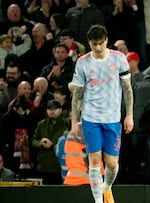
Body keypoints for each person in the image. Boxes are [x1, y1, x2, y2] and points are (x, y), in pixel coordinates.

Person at [69, 24, 133, 203]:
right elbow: (78, 94)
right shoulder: (82, 63)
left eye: (100, 43)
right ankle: (98, 201)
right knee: (95, 161)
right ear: (89, 43)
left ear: (106, 41)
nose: (97, 48)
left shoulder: (119, 59)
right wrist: (75, 122)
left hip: (113, 118)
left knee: (112, 164)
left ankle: (107, 188)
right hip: (91, 118)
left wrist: (129, 115)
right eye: (94, 44)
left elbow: (127, 89)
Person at [32, 99, 67, 184]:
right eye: (49, 109)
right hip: (44, 167)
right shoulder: (41, 124)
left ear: (60, 110)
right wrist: (41, 143)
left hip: (60, 166)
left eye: (54, 109)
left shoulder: (67, 124)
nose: (52, 111)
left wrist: (53, 145)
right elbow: (33, 141)